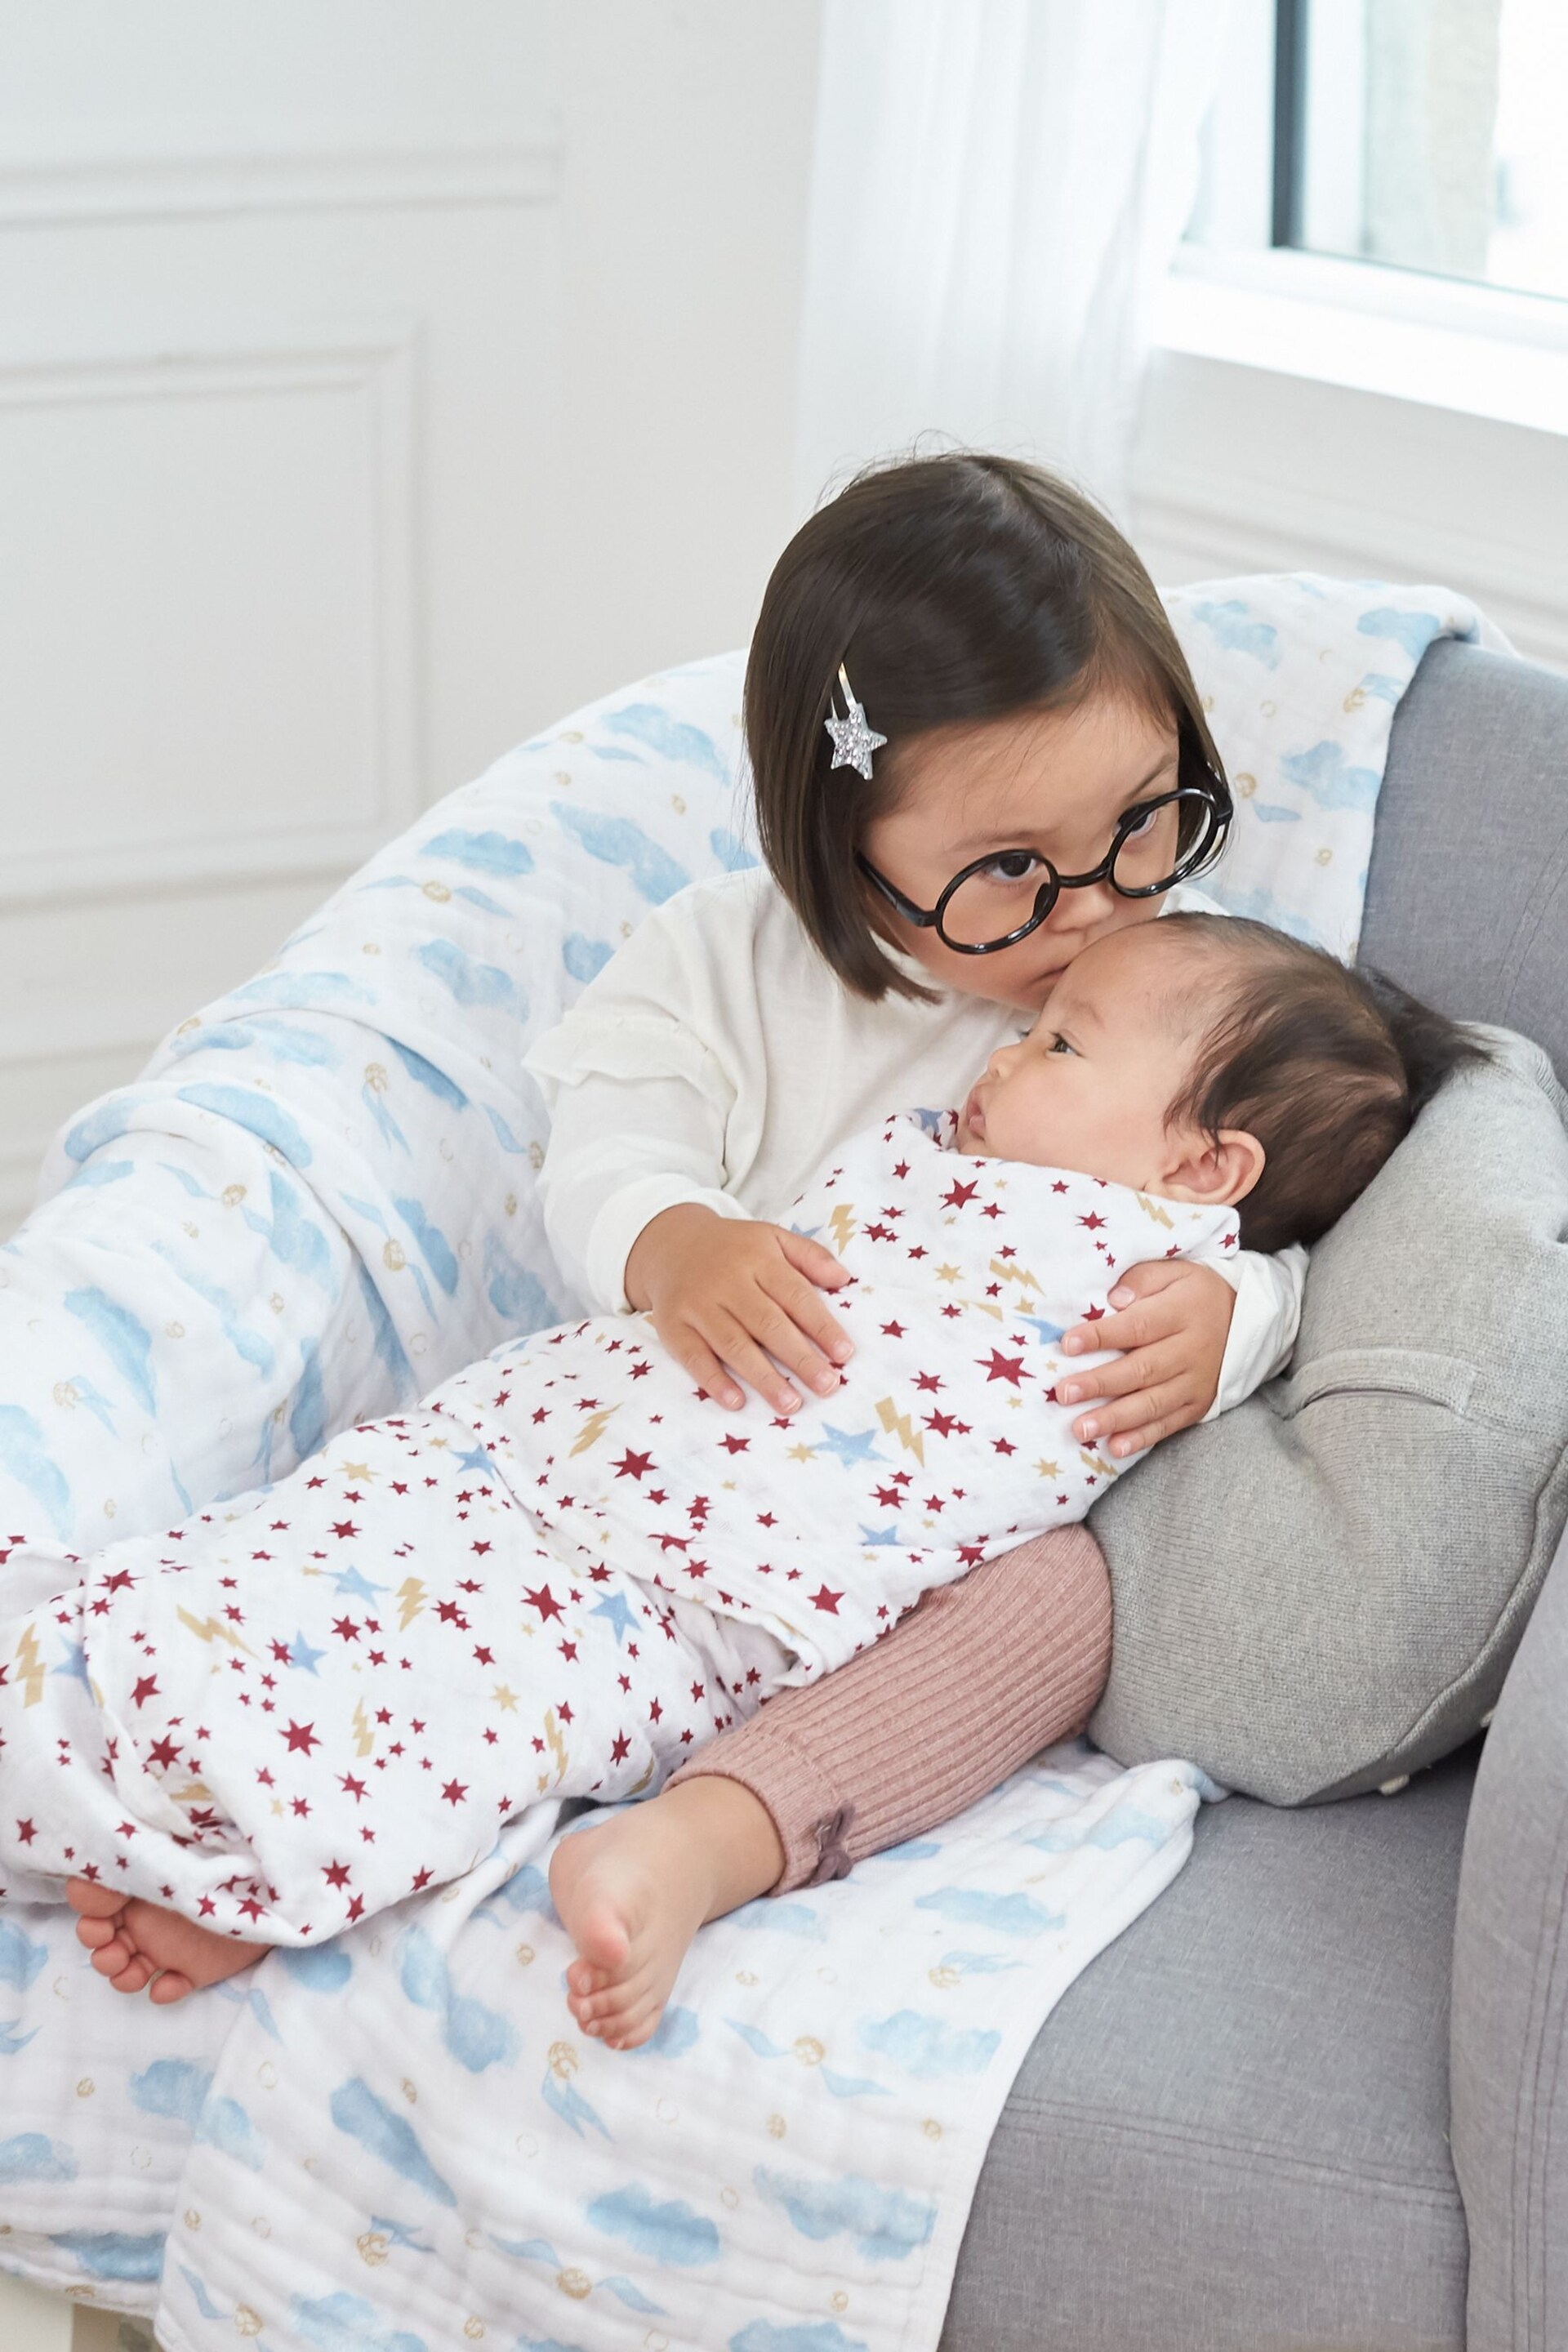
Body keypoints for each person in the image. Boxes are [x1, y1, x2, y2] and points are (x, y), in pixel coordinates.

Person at [35, 914, 1477, 2019]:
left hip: (698, 1592)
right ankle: (96, 1673)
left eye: (1060, 1048)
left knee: (461, 1711)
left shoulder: (1181, 1277)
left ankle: (250, 1864)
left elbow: (1284, 1289)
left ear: (1208, 1170)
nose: (1002, 1055)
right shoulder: (940, 1154)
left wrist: (1244, 1317)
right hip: (545, 1443)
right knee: (291, 1551)